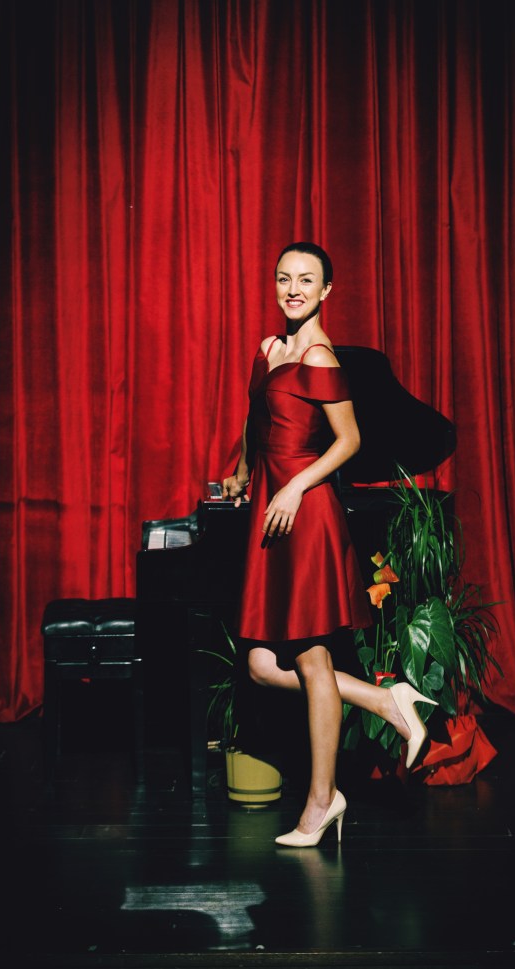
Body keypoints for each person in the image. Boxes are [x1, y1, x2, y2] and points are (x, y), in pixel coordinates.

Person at [222, 242, 436, 847]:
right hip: (271, 508)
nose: (293, 289)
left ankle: (322, 802)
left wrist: (292, 488)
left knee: (313, 662)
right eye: (284, 278)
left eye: (306, 280)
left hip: (305, 511)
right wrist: (241, 469)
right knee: (262, 666)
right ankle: (385, 701)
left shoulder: (320, 355)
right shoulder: (270, 349)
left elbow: (349, 440)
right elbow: (258, 422)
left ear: (326, 291)